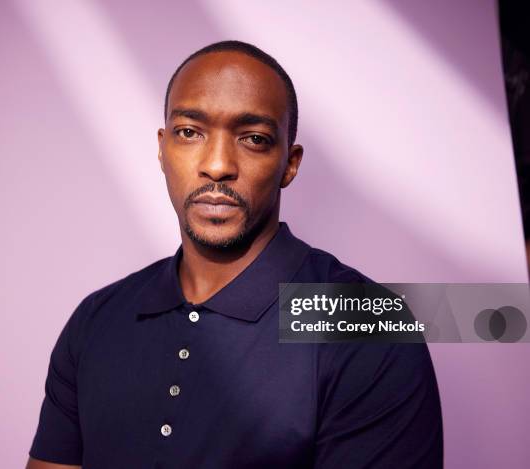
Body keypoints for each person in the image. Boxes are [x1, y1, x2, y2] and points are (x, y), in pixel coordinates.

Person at [26, 40, 443, 469]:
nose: (218, 164)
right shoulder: (97, 318)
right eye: (190, 132)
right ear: (162, 148)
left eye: (253, 139)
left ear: (290, 164)